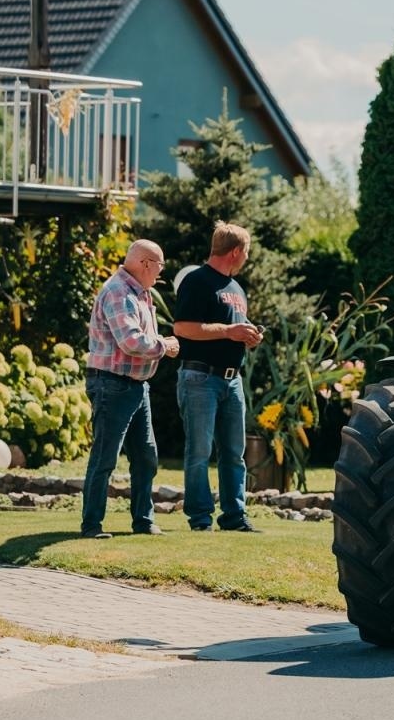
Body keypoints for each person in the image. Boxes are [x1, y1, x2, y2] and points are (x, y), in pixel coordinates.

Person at [81, 240, 179, 539]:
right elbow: (132, 342)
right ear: (145, 263)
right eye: (159, 266)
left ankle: (143, 521)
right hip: (112, 384)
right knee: (105, 457)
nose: (160, 273)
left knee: (146, 456)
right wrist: (166, 345)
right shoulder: (118, 292)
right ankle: (91, 525)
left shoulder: (140, 294)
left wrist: (158, 341)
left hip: (136, 386)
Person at [173, 221, 264, 532]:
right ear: (236, 251)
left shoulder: (236, 288)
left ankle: (234, 517)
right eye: (247, 253)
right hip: (200, 379)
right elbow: (182, 328)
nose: (247, 259)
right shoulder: (196, 281)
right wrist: (229, 331)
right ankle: (200, 519)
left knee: (234, 454)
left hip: (232, 380)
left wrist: (248, 335)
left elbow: (231, 329)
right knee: (199, 451)